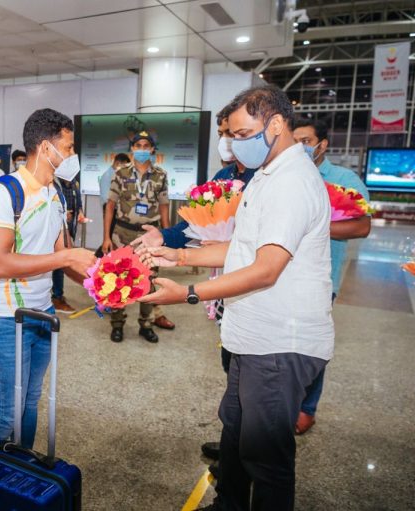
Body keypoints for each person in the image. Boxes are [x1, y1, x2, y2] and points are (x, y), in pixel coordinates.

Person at [141, 85, 333, 511]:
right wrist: (178, 254)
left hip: (281, 343)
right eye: (231, 135)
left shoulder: (292, 182)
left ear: (277, 124)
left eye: (243, 133)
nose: (234, 144)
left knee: (266, 459)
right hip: (252, 338)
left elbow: (266, 268)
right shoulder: (266, 176)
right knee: (236, 434)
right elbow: (241, 248)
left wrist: (188, 293)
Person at [131, 106, 258, 462]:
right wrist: (163, 235)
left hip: (256, 287)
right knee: (230, 361)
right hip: (224, 287)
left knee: (253, 374)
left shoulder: (265, 180)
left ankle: (246, 446)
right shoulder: (223, 176)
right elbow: (194, 227)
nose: (226, 140)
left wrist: (185, 277)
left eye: (233, 132)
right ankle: (234, 439)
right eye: (222, 132)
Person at [0, 108, 96, 449]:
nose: (72, 156)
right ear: (45, 148)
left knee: (28, 403)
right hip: (4, 318)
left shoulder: (53, 192)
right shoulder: (3, 192)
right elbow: (0, 263)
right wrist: (67, 256)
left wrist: (104, 281)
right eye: (68, 148)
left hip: (42, 314)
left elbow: (60, 257)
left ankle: (18, 471)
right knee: (3, 415)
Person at [292, 117, 371, 435]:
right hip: (276, 273)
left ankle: (306, 406)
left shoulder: (343, 179)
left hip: (319, 278)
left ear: (323, 144)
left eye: (306, 141)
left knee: (311, 344)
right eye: (294, 140)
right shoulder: (283, 175)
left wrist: (312, 227)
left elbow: (361, 226)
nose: (299, 148)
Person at [102, 132, 174, 343]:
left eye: (146, 145)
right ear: (132, 148)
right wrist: (106, 237)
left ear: (152, 149)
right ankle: (117, 324)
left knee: (149, 279)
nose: (142, 149)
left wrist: (167, 237)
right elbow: (110, 207)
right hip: (122, 234)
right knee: (117, 279)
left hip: (149, 237)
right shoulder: (121, 173)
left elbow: (163, 208)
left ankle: (146, 324)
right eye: (138, 145)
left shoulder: (160, 175)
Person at [52, 175, 84, 313]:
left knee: (61, 263)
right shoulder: (52, 183)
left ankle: (58, 295)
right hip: (55, 230)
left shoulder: (74, 183)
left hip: (68, 227)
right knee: (59, 265)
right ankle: (56, 297)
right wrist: (62, 214)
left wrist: (80, 212)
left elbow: (78, 202)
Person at [95, 153, 130, 258]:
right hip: (110, 211)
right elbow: (107, 199)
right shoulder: (108, 176)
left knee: (113, 238)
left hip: (117, 212)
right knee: (109, 238)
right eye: (124, 166)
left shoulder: (117, 175)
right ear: (118, 163)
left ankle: (101, 259)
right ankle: (97, 259)